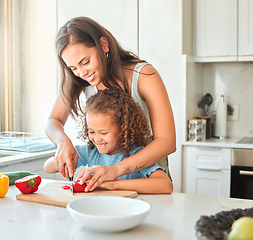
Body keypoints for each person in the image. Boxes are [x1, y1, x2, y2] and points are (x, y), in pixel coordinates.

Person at [45, 16, 176, 192]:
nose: (82, 73)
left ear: (104, 45)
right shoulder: (80, 81)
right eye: (73, 68)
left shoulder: (144, 75)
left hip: (145, 168)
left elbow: (167, 141)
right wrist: (62, 142)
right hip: (108, 171)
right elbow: (53, 120)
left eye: (86, 62)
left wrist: (116, 170)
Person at [44, 89, 173, 194]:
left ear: (123, 130)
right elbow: (47, 167)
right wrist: (64, 159)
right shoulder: (91, 152)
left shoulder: (136, 154)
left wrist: (112, 184)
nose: (97, 138)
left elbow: (165, 185)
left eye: (104, 133)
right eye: (92, 131)